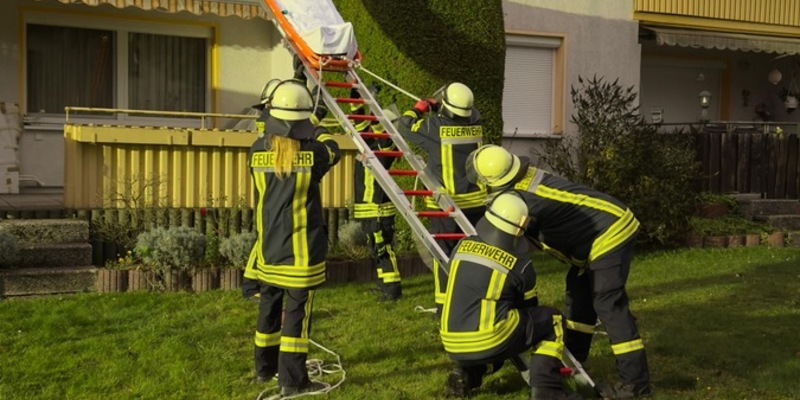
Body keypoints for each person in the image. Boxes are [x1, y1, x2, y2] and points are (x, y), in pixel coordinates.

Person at [465, 144, 652, 399]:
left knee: (608, 303)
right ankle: (576, 359)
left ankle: (635, 385)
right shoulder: (525, 178)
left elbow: (510, 243)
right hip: (600, 227)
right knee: (578, 295)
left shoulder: (517, 200)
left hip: (609, 231)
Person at [246, 79, 341, 396]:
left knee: (268, 308)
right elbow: (333, 148)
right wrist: (316, 120)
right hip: (301, 255)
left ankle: (264, 368)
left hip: (268, 250)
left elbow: (273, 137)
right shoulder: (313, 153)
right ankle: (292, 381)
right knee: (296, 318)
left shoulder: (256, 150)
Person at [440, 192, 581, 400]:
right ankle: (547, 389)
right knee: (552, 320)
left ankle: (465, 373)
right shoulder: (521, 264)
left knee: (495, 340)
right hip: (490, 339)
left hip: (451, 340)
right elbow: (529, 309)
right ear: (520, 228)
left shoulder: (461, 246)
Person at [397, 82, 487, 312]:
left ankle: (444, 306)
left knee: (444, 255)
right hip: (475, 203)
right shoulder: (477, 126)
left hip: (446, 206)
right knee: (472, 255)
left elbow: (405, 127)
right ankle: (472, 302)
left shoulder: (434, 126)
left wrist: (418, 108)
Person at [350, 85, 403, 301]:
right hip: (368, 209)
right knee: (376, 249)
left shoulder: (385, 146)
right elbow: (357, 118)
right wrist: (356, 93)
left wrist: (371, 103)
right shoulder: (370, 143)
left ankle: (393, 290)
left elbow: (371, 125)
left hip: (379, 209)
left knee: (384, 249)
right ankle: (383, 285)